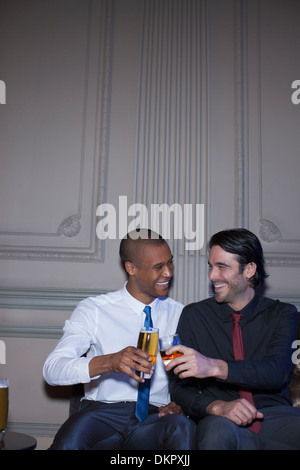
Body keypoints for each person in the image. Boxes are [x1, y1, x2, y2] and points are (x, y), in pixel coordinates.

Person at [43, 229, 196, 450]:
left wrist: (181, 404)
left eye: (170, 263)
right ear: (131, 268)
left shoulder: (181, 314)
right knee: (70, 442)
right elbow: (52, 370)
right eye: (158, 267)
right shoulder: (95, 310)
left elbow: (188, 378)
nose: (168, 273)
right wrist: (110, 362)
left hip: (156, 417)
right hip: (101, 414)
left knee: (182, 428)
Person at [166, 228, 300, 450]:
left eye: (222, 267)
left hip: (275, 417)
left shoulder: (282, 314)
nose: (212, 275)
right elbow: (179, 388)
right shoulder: (194, 316)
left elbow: (277, 371)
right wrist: (216, 406)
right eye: (211, 266)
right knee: (215, 435)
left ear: (249, 270)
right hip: (221, 420)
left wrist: (215, 367)